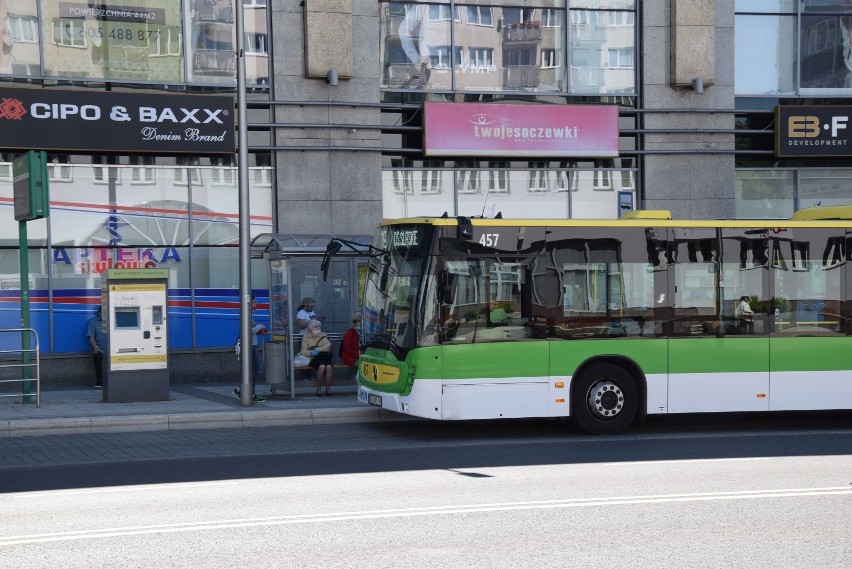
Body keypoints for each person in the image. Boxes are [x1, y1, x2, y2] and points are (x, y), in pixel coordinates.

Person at [233, 295, 266, 402]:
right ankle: (242, 390)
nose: (256, 304)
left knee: (253, 369)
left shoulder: (248, 314)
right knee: (254, 369)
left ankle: (249, 392)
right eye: (254, 302)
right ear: (249, 303)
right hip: (249, 346)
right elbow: (250, 330)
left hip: (251, 345)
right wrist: (260, 327)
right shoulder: (247, 314)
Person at [301, 319, 333, 396]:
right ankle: (318, 389)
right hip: (313, 358)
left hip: (324, 357)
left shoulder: (323, 335)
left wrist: (317, 349)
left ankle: (328, 389)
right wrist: (311, 352)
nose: (318, 328)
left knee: (329, 367)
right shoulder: (306, 337)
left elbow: (328, 346)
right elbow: (303, 351)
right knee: (321, 366)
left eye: (319, 326)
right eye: (315, 327)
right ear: (310, 327)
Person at [86, 306, 105, 389]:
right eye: (103, 312)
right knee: (97, 354)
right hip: (100, 348)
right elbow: (90, 336)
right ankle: (99, 382)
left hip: (112, 349)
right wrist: (95, 347)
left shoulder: (114, 321)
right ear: (99, 313)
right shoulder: (93, 322)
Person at [340, 312, 361, 382]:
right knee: (363, 364)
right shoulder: (350, 332)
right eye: (359, 321)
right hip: (349, 357)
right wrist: (359, 356)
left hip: (358, 356)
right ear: (354, 322)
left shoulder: (363, 332)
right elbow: (347, 348)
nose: (360, 323)